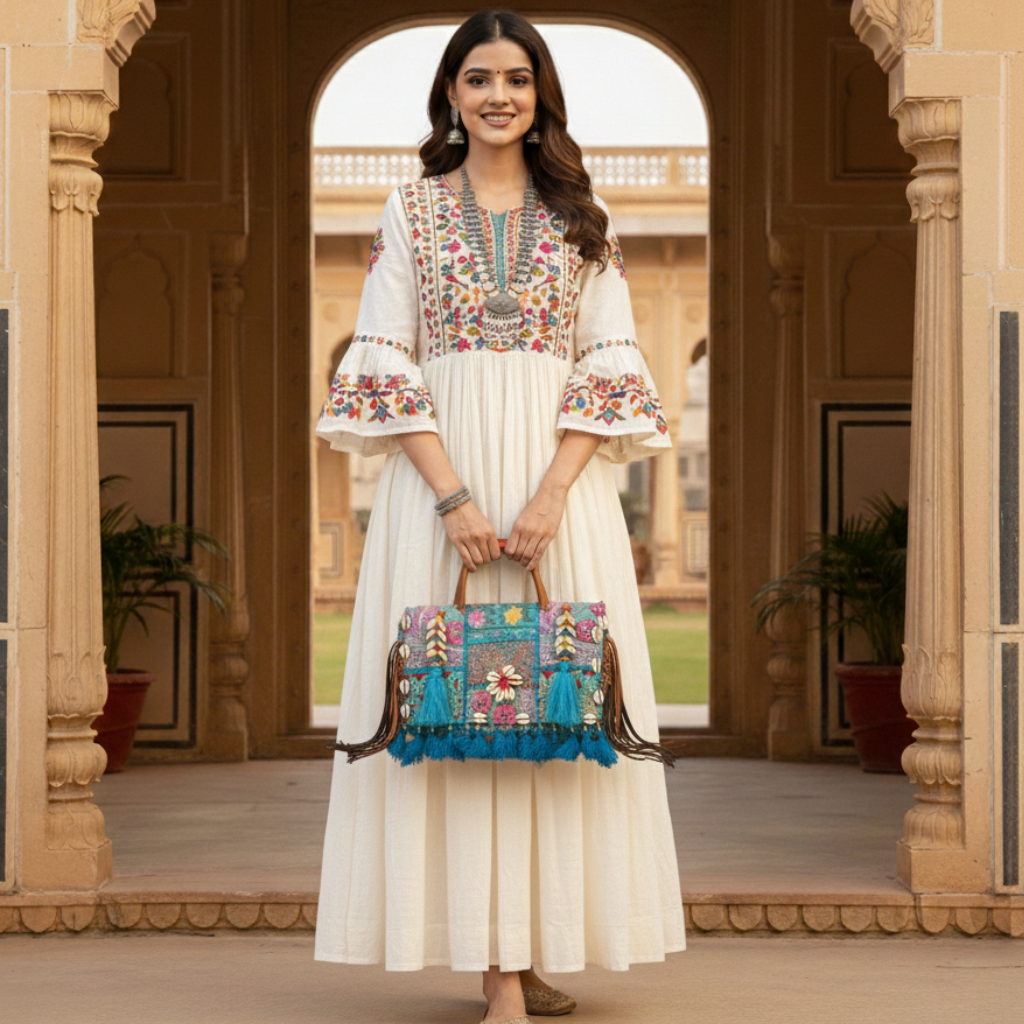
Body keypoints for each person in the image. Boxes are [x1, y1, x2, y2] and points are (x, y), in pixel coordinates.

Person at [314, 10, 685, 1023]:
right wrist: (453, 497)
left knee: (551, 711)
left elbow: (608, 361)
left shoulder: (579, 216)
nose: (496, 95)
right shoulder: (411, 211)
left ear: (539, 95)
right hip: (441, 488)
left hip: (559, 493)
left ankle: (533, 943)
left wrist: (554, 491)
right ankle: (498, 975)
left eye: (515, 79)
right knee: (457, 709)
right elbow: (384, 357)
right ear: (449, 94)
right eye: (477, 78)